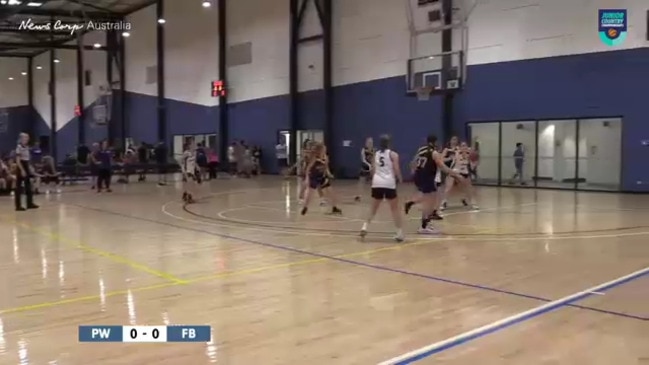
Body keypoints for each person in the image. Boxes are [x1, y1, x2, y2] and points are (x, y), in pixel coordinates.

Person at [404, 135, 461, 234]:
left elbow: (413, 162)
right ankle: (424, 226)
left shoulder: (421, 149)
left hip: (419, 176)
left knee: (430, 198)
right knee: (430, 202)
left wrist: (413, 171)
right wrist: (453, 173)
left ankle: (412, 203)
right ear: (435, 142)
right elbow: (442, 166)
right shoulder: (434, 153)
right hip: (427, 177)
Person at [360, 135, 404, 242]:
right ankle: (399, 233)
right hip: (389, 183)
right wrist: (401, 179)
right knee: (394, 209)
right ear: (389, 143)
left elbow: (373, 170)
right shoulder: (393, 154)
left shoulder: (376, 154)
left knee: (373, 208)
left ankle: (364, 226)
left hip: (377, 182)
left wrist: (374, 180)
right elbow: (396, 169)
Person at [301, 142, 342, 216]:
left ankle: (334, 207)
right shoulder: (314, 157)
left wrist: (329, 174)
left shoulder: (325, 157)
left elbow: (326, 167)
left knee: (330, 192)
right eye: (324, 149)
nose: (325, 150)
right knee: (310, 192)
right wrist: (307, 178)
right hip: (313, 176)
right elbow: (308, 168)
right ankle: (305, 207)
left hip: (322, 176)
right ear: (319, 150)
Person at [14, 133, 39, 211]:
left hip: (26, 165)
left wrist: (29, 167)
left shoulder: (27, 147)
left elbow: (27, 159)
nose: (27, 139)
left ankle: (29, 203)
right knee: (19, 187)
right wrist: (22, 170)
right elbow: (18, 161)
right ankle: (18, 206)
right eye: (25, 137)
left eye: (27, 137)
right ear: (21, 139)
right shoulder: (19, 147)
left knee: (28, 185)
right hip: (21, 166)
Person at [440, 136, 459, 210]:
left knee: (465, 185)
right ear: (450, 141)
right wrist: (449, 158)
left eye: (456, 140)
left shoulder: (458, 149)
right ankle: (444, 202)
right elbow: (441, 159)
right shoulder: (447, 150)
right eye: (453, 139)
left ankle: (465, 199)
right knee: (449, 186)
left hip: (459, 170)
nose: (454, 141)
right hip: (450, 170)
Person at [354, 137, 374, 202]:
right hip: (364, 167)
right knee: (361, 182)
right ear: (366, 143)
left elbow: (374, 159)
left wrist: (373, 166)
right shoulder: (363, 150)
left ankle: (377, 195)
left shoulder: (373, 150)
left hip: (372, 168)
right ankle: (358, 196)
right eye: (368, 142)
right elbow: (363, 159)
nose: (370, 143)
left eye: (371, 142)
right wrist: (369, 165)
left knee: (374, 182)